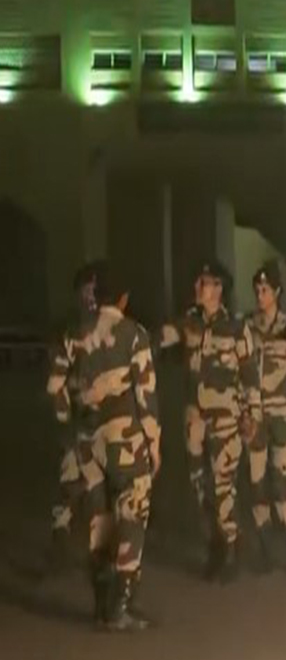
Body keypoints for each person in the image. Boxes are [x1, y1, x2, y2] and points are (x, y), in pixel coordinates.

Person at [46, 265, 161, 630]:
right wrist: (154, 442)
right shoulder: (133, 334)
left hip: (87, 440)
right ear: (123, 298)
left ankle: (100, 602)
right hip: (124, 438)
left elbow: (54, 388)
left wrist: (70, 423)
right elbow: (146, 395)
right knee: (132, 515)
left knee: (99, 518)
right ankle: (120, 607)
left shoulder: (74, 333)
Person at [160, 258, 261, 582]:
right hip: (194, 419)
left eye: (203, 283)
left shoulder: (236, 328)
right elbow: (157, 338)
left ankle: (230, 547)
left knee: (222, 486)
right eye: (198, 282)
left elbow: (249, 375)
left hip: (226, 419)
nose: (197, 288)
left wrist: (251, 415)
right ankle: (215, 543)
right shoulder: (188, 322)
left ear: (218, 289)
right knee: (198, 486)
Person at [245, 260, 286, 572]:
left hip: (282, 415)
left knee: (282, 483)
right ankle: (267, 550)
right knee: (257, 483)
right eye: (257, 290)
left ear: (277, 292)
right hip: (256, 417)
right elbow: (244, 374)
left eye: (265, 290)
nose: (260, 295)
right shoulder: (249, 327)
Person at [49, 261, 106, 564]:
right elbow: (55, 385)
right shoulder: (70, 334)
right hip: (79, 422)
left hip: (109, 425)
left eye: (94, 291)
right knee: (69, 482)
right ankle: (60, 542)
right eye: (85, 291)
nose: (90, 297)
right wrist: (64, 422)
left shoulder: (115, 331)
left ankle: (104, 558)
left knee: (105, 491)